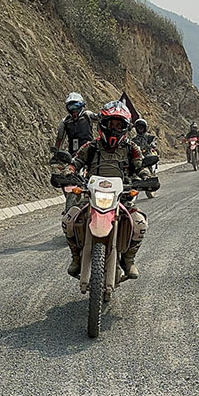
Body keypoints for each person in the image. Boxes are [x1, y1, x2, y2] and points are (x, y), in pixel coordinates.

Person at [62, 101, 148, 279]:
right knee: (69, 219)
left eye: (119, 125)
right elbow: (75, 163)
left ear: (125, 127)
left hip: (122, 197)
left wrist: (147, 177)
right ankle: (76, 257)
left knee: (140, 223)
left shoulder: (131, 148)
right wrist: (67, 172)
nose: (115, 128)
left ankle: (129, 259)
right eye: (111, 124)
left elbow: (140, 166)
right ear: (104, 124)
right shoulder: (91, 147)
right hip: (91, 195)